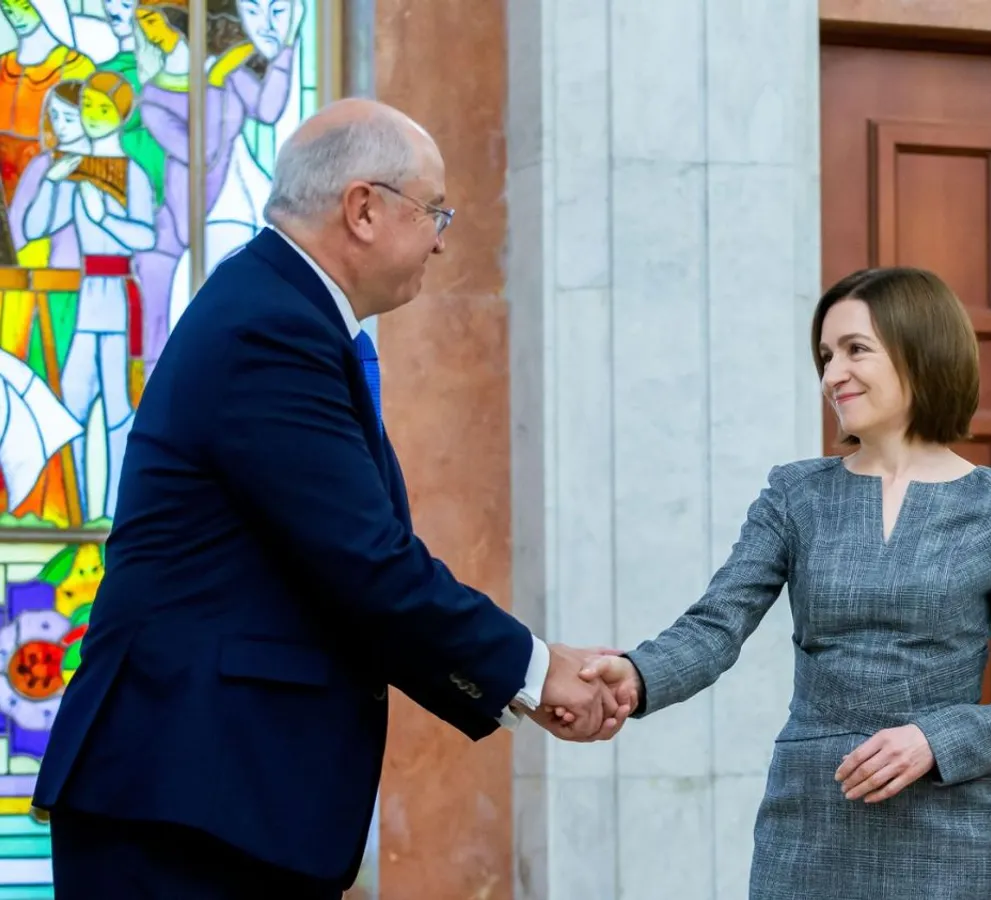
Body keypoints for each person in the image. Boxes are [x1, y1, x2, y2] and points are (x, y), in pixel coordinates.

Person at [33, 98, 628, 899]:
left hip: (214, 795)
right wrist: (535, 668)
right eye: (435, 210)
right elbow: (366, 563)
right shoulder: (269, 330)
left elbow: (345, 577)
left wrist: (519, 677)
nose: (444, 238)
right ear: (364, 209)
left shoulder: (280, 312)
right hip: (185, 802)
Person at [576, 267, 991, 900]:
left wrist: (937, 739)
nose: (832, 373)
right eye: (825, 355)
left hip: (947, 831)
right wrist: (640, 673)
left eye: (855, 349)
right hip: (810, 820)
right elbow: (716, 625)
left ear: (920, 348)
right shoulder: (796, 494)